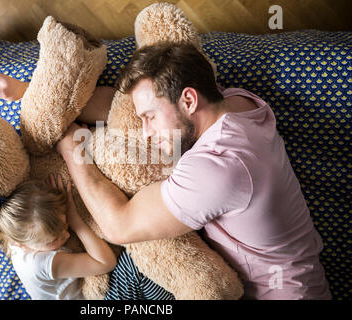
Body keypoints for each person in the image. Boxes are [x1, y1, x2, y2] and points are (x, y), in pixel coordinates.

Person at [55, 43, 332, 300]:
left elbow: (120, 226)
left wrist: (72, 150)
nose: (146, 133)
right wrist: (52, 108)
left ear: (189, 100)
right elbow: (119, 109)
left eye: (150, 117)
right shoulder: (237, 103)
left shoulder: (216, 168)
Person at [0, 76, 175, 300]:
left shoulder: (21, 236)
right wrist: (74, 218)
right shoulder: (40, 263)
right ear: (19, 243)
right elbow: (105, 262)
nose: (66, 234)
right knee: (140, 254)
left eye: (63, 226)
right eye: (55, 239)